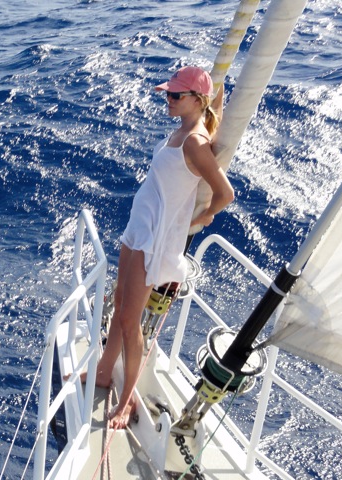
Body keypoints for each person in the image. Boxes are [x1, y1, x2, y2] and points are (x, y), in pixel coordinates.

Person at [89, 66, 234, 430]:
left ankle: (126, 402)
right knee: (119, 301)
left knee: (129, 321)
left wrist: (202, 218)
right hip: (139, 227)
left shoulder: (194, 142)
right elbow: (213, 110)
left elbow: (225, 193)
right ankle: (104, 372)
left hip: (154, 239)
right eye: (167, 93)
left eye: (175, 95)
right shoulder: (183, 129)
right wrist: (219, 91)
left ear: (195, 100)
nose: (167, 99)